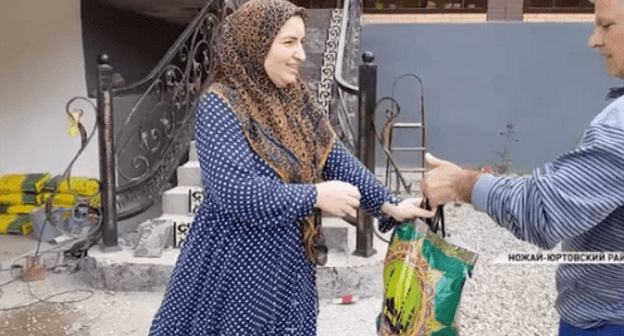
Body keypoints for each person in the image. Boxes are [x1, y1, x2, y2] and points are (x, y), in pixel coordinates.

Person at [148, 1, 434, 335]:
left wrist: (389, 204)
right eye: (288, 42)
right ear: (254, 43)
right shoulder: (220, 103)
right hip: (236, 267)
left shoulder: (296, 97)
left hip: (288, 264)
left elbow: (333, 157)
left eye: (301, 42)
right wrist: (313, 195)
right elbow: (234, 191)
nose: (301, 54)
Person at [420, 0, 624, 334]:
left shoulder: (620, 126)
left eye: (606, 26)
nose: (594, 40)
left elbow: (544, 210)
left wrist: (461, 184)